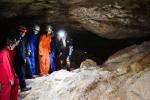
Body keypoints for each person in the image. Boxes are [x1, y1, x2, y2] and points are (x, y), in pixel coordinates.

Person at [0, 35, 20, 100]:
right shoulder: (4, 53)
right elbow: (6, 66)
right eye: (14, 45)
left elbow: (10, 64)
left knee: (16, 82)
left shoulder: (9, 51)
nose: (14, 46)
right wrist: (11, 78)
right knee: (6, 90)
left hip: (9, 71)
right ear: (10, 44)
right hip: (4, 74)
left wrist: (14, 74)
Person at [13, 25, 31, 92]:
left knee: (18, 73)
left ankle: (18, 86)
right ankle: (23, 87)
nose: (24, 33)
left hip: (17, 59)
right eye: (24, 32)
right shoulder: (19, 38)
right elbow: (21, 50)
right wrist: (23, 58)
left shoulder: (18, 38)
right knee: (21, 73)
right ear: (21, 32)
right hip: (20, 59)